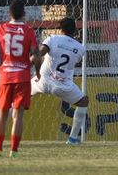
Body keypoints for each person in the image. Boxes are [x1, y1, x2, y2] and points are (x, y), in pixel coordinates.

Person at [0, 0, 38, 158]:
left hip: (5, 75)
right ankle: (14, 151)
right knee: (17, 115)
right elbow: (36, 55)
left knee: (2, 114)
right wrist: (37, 72)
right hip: (23, 76)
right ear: (24, 14)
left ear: (9, 14)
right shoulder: (29, 31)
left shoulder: (1, 29)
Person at [31, 17, 88, 145]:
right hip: (63, 86)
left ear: (60, 29)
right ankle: (73, 139)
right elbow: (75, 60)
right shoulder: (80, 48)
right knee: (84, 101)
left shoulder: (52, 39)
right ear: (75, 30)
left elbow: (37, 56)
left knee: (21, 96)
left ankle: (0, 124)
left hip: (43, 81)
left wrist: (38, 73)